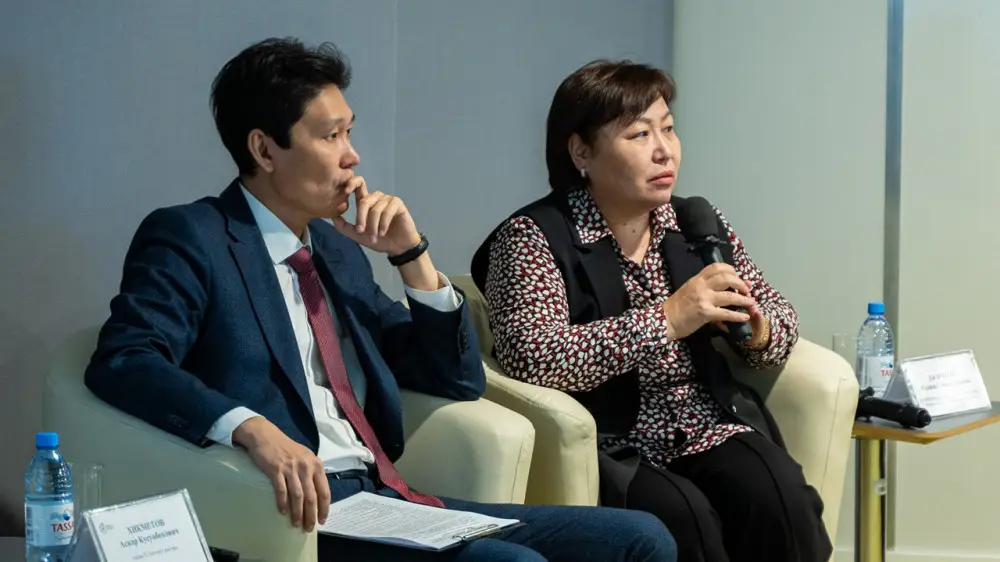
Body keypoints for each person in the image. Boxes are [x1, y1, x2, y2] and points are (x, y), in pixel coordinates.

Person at [84, 39, 676, 562]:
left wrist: (411, 256)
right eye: (331, 136)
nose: (353, 156)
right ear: (264, 150)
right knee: (507, 561)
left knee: (641, 537)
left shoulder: (336, 251)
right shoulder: (193, 236)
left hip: (383, 495)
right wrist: (251, 428)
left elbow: (453, 379)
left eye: (350, 131)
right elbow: (126, 358)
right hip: (295, 510)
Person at [470, 60, 833, 562]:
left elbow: (778, 315)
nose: (664, 150)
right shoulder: (533, 237)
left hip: (708, 423)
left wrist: (756, 330)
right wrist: (667, 319)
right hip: (612, 440)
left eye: (668, 129)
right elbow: (533, 356)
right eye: (639, 134)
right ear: (581, 151)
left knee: (781, 498)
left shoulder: (693, 222)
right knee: (684, 520)